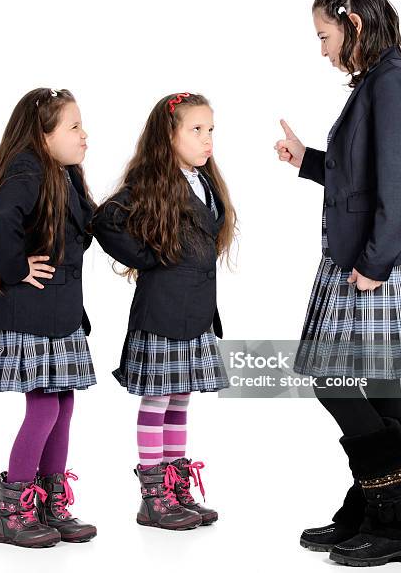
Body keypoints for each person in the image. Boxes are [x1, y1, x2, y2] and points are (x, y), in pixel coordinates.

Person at [274, 0, 401, 567]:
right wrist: (309, 161)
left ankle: (395, 515)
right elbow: (364, 175)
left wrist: (374, 263)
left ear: (352, 24)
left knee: (333, 378)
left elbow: (399, 187)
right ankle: (377, 510)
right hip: (364, 259)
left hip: (373, 263)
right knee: (379, 385)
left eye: (325, 36)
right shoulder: (378, 81)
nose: (322, 50)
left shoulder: (391, 84)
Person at [92, 92, 236, 530]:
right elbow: (104, 220)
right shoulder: (152, 181)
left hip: (194, 316)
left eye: (211, 129)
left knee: (180, 399)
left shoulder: (204, 181)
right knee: (157, 400)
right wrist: (148, 255)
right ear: (168, 135)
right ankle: (152, 496)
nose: (207, 138)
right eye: (196, 130)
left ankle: (174, 486)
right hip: (163, 315)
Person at [0, 88, 97, 547]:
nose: (84, 135)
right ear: (44, 134)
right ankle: (11, 513)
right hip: (31, 314)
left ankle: (48, 501)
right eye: (74, 126)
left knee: (63, 404)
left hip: (58, 313)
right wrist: (18, 268)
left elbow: (89, 229)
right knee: (43, 407)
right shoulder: (28, 168)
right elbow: (0, 224)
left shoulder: (64, 175)